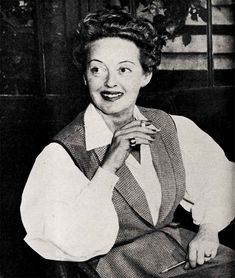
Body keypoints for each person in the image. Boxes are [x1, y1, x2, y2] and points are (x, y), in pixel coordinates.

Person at [20, 9, 235, 277]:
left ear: (146, 75)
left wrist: (208, 229)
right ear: (85, 76)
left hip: (181, 254)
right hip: (112, 268)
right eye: (97, 69)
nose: (111, 82)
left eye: (124, 69)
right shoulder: (61, 154)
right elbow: (63, 240)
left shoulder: (171, 127)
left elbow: (221, 179)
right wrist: (108, 167)